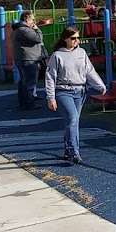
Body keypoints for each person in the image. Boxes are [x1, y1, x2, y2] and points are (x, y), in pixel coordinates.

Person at [45, 27, 106, 164]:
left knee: (73, 122)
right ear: (65, 39)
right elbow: (50, 77)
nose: (76, 41)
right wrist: (51, 97)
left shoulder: (82, 53)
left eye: (78, 38)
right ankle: (74, 151)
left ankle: (68, 149)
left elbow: (89, 71)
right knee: (72, 118)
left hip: (80, 91)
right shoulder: (57, 56)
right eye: (73, 38)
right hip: (63, 91)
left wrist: (99, 85)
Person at [12, 12, 46, 110]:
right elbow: (38, 38)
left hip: (24, 58)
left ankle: (24, 101)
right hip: (29, 59)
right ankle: (29, 103)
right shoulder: (24, 30)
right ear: (27, 19)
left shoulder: (19, 29)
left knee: (24, 81)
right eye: (32, 19)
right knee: (30, 82)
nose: (33, 22)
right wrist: (37, 29)